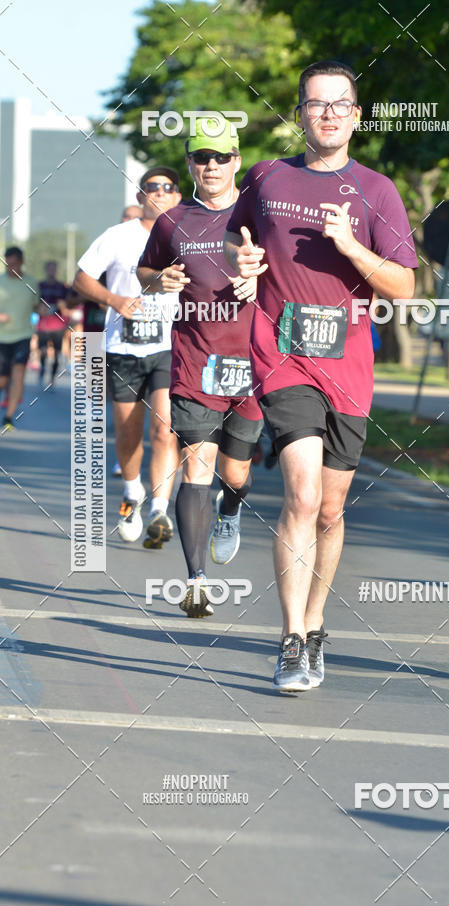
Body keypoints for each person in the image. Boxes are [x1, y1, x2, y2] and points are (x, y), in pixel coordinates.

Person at [224, 60, 417, 691]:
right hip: (283, 358)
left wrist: (352, 248)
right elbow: (237, 240)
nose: (328, 112)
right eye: (315, 103)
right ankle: (289, 641)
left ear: (356, 116)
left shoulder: (377, 191)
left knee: (331, 511)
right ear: (299, 112)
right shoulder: (267, 178)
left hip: (350, 368)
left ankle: (314, 625)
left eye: (340, 103)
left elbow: (406, 289)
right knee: (302, 496)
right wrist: (244, 259)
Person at [137, 120, 263, 618]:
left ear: (236, 160)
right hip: (195, 359)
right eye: (201, 158)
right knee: (197, 466)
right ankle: (195, 581)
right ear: (190, 163)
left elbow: (290, 270)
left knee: (236, 474)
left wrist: (262, 279)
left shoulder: (261, 213)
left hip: (254, 361)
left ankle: (230, 511)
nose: (212, 166)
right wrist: (159, 279)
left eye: (221, 157)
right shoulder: (173, 220)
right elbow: (146, 271)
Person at [73, 167, 182, 547]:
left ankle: (160, 510)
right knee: (128, 430)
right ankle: (133, 493)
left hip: (169, 346)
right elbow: (82, 278)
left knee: (164, 427)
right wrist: (115, 300)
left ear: (178, 197)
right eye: (153, 187)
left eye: (170, 188)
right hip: (122, 347)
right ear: (140, 197)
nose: (161, 193)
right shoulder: (117, 236)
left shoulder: (187, 237)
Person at [0, 247, 38, 432]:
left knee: (18, 376)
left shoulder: (31, 282)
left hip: (22, 336)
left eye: (14, 264)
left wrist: (44, 311)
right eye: (8, 264)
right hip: (2, 338)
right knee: (2, 380)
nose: (10, 267)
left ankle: (8, 417)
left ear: (22, 262)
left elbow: (36, 306)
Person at [37, 260, 69, 388]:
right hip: (43, 325)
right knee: (43, 351)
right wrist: (40, 308)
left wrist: (63, 305)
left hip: (58, 325)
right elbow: (34, 303)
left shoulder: (62, 287)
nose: (52, 271)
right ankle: (43, 369)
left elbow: (68, 304)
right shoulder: (40, 286)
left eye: (54, 268)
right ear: (46, 270)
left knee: (56, 352)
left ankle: (52, 378)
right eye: (49, 268)